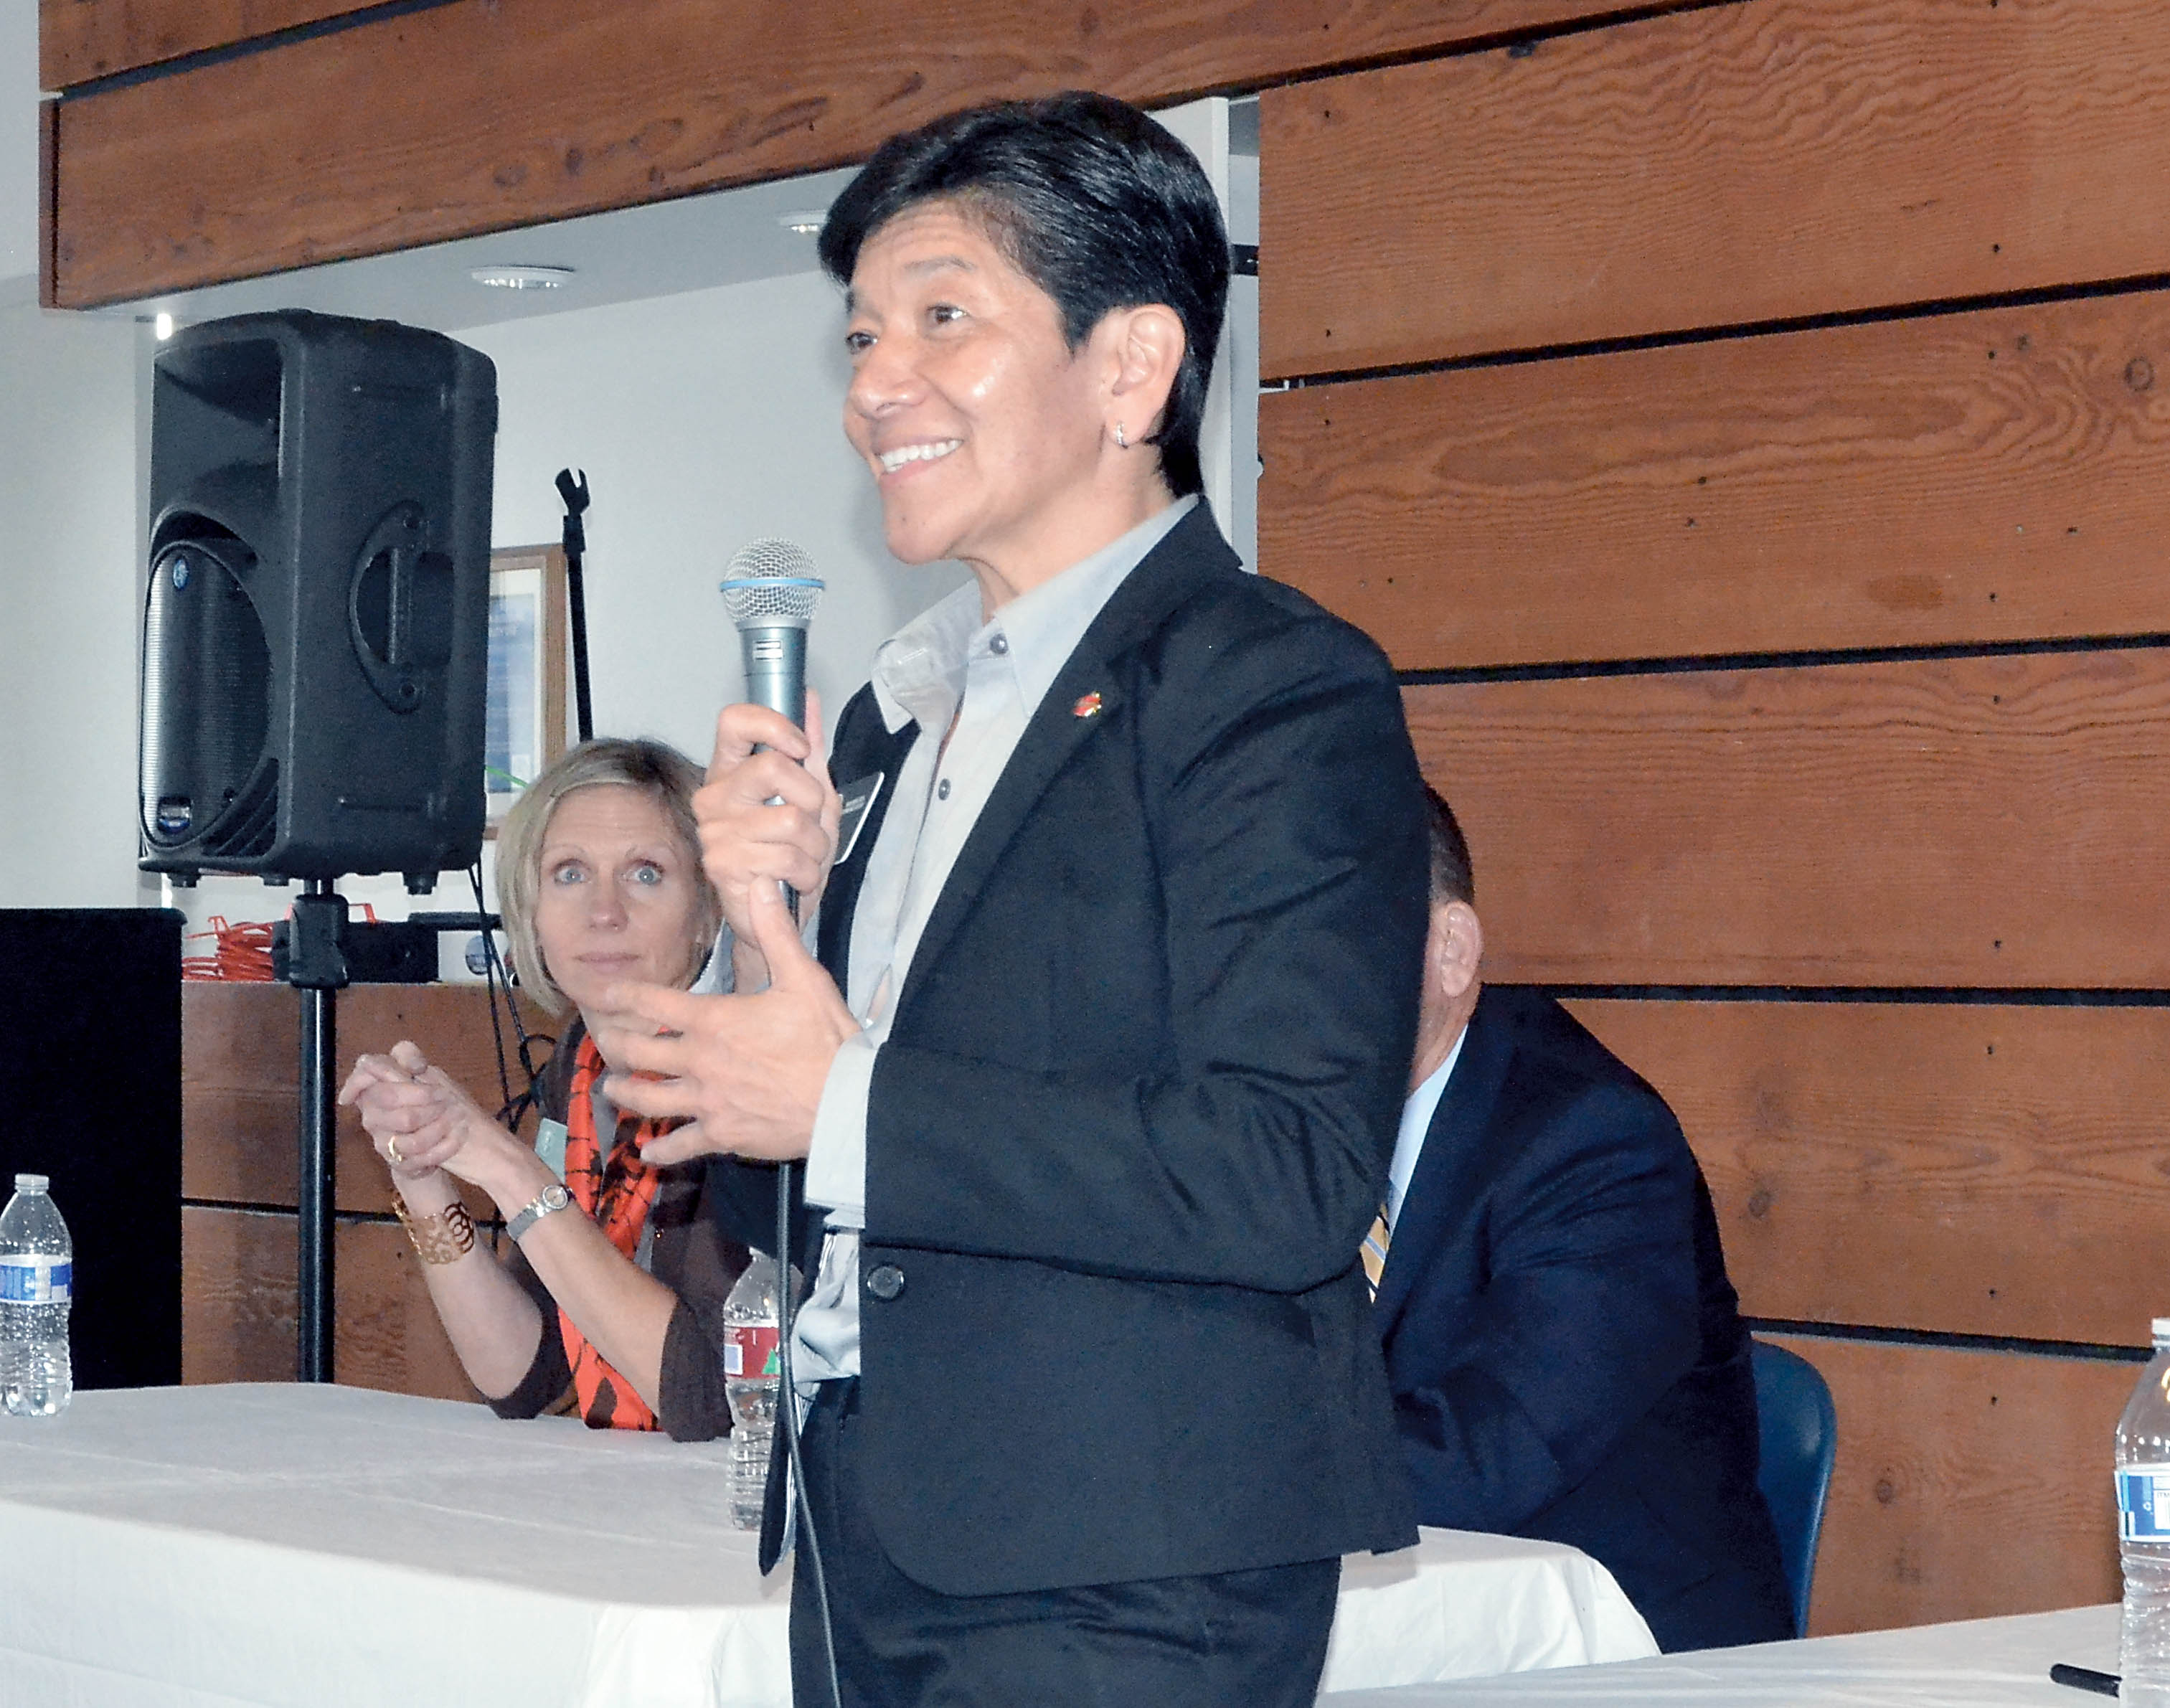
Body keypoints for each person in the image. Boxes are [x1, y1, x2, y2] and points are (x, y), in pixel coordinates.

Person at [593, 92, 1429, 1707]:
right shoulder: (893, 723)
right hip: (865, 1530)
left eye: (943, 318)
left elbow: (1289, 1169)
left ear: (1131, 368)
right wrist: (763, 956)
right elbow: (805, 1199)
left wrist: (842, 1098)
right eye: (858, 336)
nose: (873, 387)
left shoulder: (1270, 687)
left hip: (1132, 1562)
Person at [1374, 783, 1796, 1651]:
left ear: (1451, 949)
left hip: (1626, 1663)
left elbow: (1492, 1450)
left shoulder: (1591, 1138)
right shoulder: (1280, 1136)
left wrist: (1209, 1478)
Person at [340, 737, 750, 1439]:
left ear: (709, 909)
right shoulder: (581, 1064)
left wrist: (507, 1166)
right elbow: (522, 1371)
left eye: (646, 873)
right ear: (529, 911)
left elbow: (707, 1395)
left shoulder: (749, 1077)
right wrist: (425, 1173)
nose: (604, 911)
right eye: (569, 873)